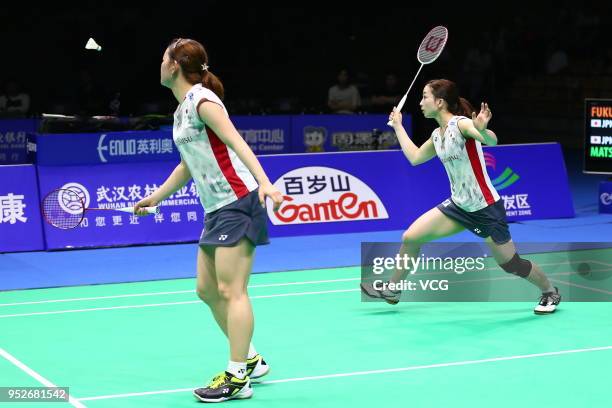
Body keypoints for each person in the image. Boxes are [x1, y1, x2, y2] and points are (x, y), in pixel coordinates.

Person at [135, 38, 284, 403]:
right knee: (206, 290)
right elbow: (189, 164)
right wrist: (156, 197)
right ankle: (250, 359)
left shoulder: (203, 100)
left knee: (232, 291)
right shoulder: (181, 110)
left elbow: (237, 142)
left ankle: (237, 377)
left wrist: (265, 183)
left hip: (238, 201)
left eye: (162, 59)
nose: (159, 65)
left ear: (174, 67)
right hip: (216, 208)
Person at [360, 79, 561, 314]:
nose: (421, 102)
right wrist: (398, 126)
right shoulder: (437, 135)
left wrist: (483, 129)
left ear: (440, 102)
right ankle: (393, 289)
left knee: (511, 264)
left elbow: (491, 141)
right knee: (411, 236)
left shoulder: (462, 124)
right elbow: (415, 157)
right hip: (458, 206)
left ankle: (550, 292)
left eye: (425, 97)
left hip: (485, 209)